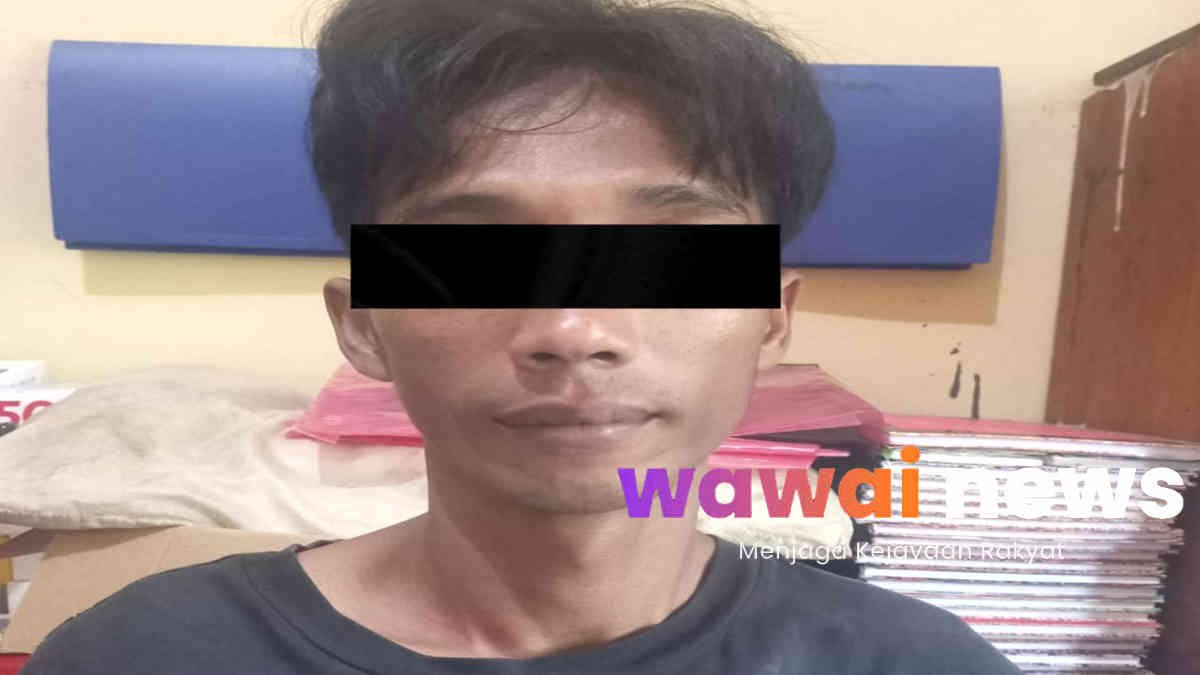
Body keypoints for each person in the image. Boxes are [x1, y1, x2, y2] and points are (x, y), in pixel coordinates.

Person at [22, 1, 1020, 672]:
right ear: (363, 325)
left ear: (773, 315)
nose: (572, 330)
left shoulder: (914, 664)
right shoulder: (145, 655)